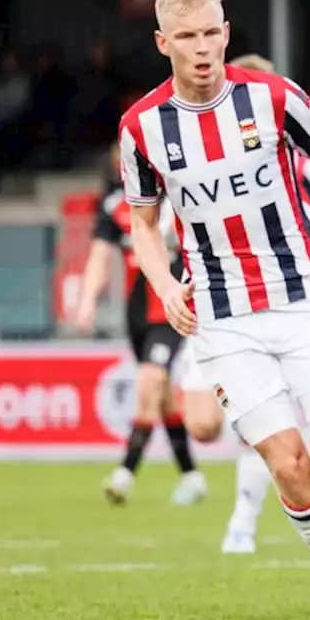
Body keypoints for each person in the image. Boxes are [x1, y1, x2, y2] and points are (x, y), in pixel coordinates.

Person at [121, 0, 310, 620]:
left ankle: (309, 481)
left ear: (227, 32)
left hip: (303, 300)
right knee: (287, 462)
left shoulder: (272, 98)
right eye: (187, 37)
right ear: (164, 43)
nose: (203, 47)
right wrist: (164, 285)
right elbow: (143, 224)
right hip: (222, 319)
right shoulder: (143, 128)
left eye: (212, 32)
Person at [184, 52, 310, 556]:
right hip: (213, 297)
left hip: (284, 298)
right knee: (202, 423)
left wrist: (304, 240)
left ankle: (242, 521)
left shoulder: (296, 160)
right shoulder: (191, 156)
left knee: (267, 423)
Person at [71, 141, 207, 506]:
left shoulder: (184, 194)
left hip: (174, 308)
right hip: (137, 315)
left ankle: (124, 473)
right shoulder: (115, 206)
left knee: (150, 382)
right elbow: (100, 256)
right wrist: (86, 302)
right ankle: (192, 477)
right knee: (161, 397)